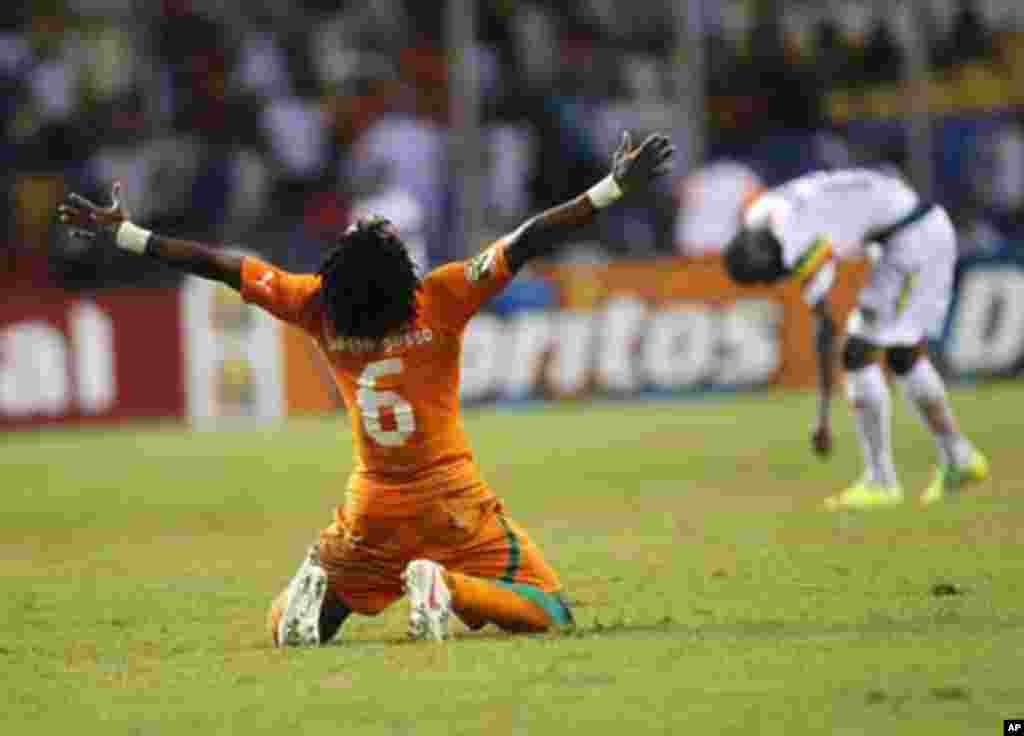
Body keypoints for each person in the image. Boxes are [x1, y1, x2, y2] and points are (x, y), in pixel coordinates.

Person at [58, 131, 675, 645]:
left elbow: (218, 265)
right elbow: (530, 237)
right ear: (401, 274)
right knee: (550, 608)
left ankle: (301, 600)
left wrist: (128, 235)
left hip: (370, 511)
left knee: (301, 620)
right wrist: (612, 185)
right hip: (452, 503)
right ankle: (448, 587)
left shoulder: (315, 306)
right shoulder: (440, 297)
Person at [722, 169, 989, 510]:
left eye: (772, 276)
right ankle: (960, 458)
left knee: (857, 352)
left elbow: (826, 326)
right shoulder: (760, 214)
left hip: (912, 240)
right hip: (907, 230)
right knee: (902, 355)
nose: (777, 281)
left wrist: (822, 418)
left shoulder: (793, 243)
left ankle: (881, 481)